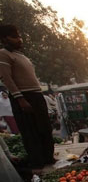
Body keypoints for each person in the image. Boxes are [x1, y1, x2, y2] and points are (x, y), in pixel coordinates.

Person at [0, 24, 55, 168]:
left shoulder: (21, 56)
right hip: (24, 96)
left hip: (36, 95)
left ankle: (48, 158)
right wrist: (21, 99)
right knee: (30, 131)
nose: (19, 39)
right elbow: (7, 79)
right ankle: (37, 162)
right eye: (15, 37)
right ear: (5, 39)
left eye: (19, 36)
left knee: (44, 128)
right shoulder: (4, 54)